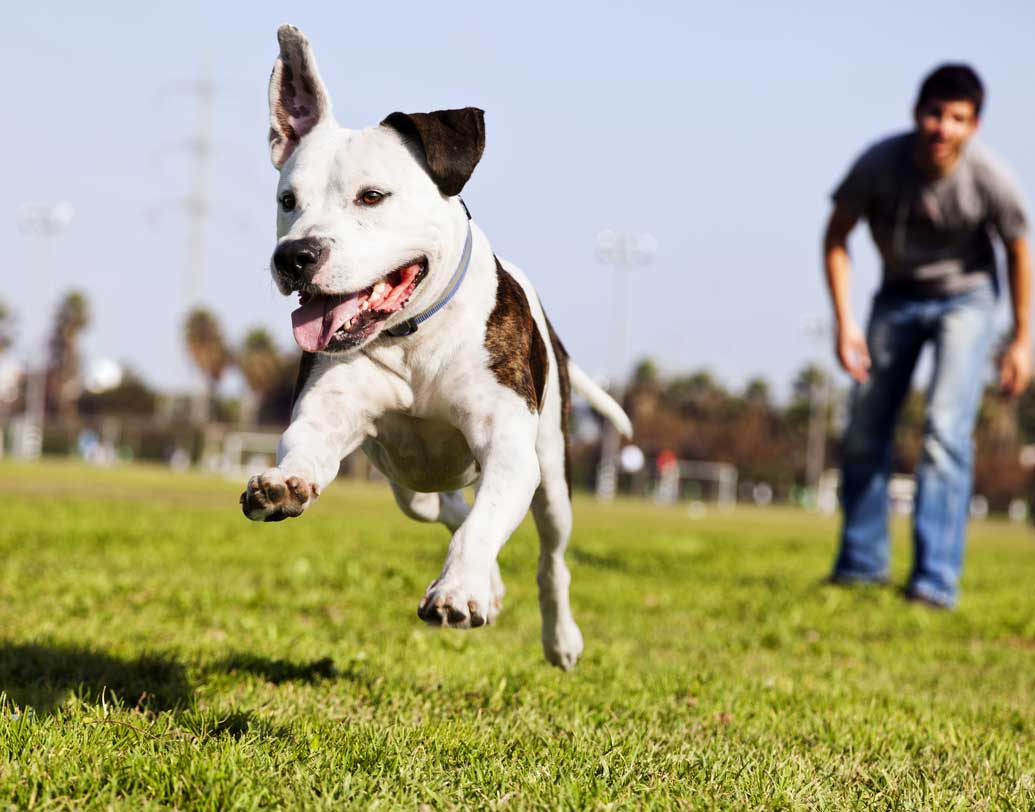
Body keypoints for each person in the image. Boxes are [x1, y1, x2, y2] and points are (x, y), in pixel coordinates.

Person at [822, 64, 1031, 608]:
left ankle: (935, 580)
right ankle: (861, 565)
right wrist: (845, 323)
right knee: (867, 424)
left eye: (957, 118)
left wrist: (1022, 338)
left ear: (974, 125)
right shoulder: (879, 164)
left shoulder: (990, 177)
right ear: (917, 113)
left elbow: (1017, 250)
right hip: (896, 297)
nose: (943, 128)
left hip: (967, 300)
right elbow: (836, 237)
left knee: (943, 428)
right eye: (935, 114)